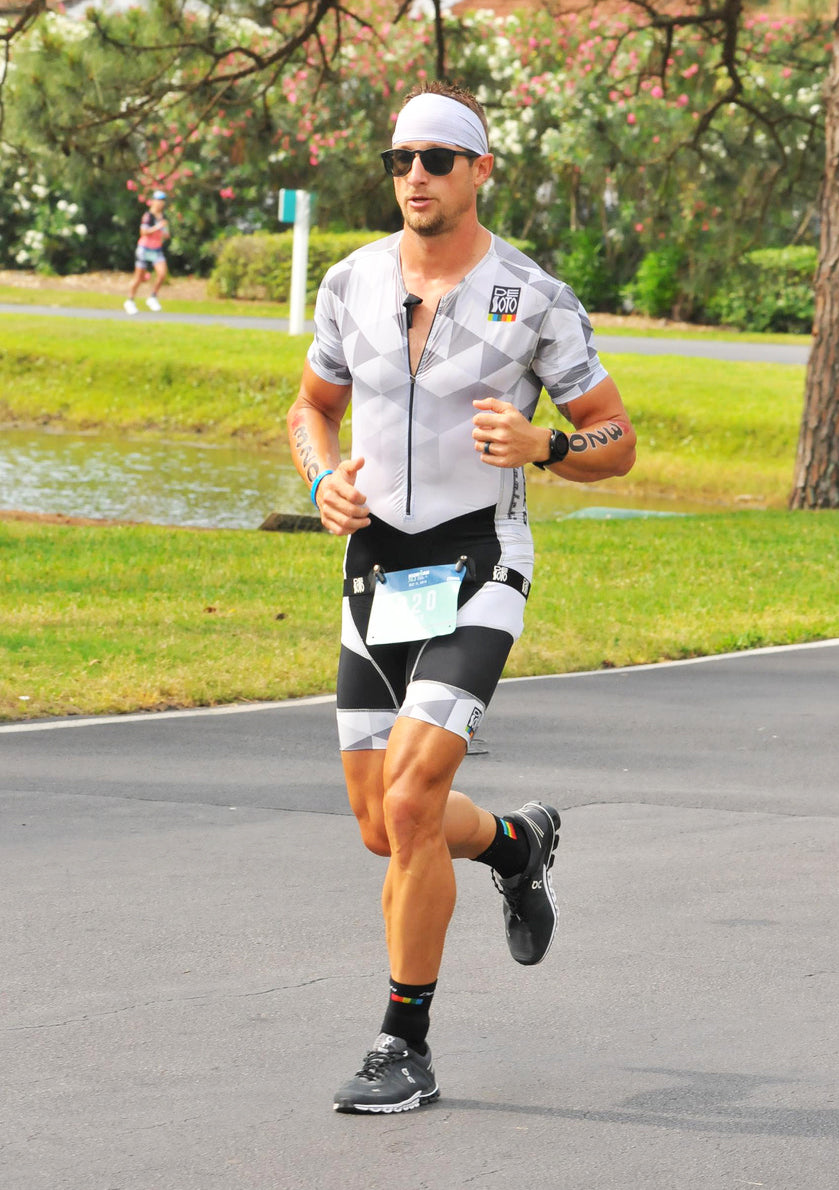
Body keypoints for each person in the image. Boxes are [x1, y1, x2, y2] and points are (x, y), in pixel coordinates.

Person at [286, 80, 636, 1115]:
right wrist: (321, 478)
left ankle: (404, 1043)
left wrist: (546, 444)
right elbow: (311, 406)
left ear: (480, 169)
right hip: (377, 568)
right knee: (382, 823)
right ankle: (516, 846)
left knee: (411, 800)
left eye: (437, 159)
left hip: (482, 559)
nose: (416, 176)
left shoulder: (532, 295)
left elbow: (616, 437)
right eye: (400, 160)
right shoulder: (350, 281)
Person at [124, 190, 170, 315]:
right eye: (158, 200)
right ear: (153, 201)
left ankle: (153, 297)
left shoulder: (163, 217)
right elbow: (143, 232)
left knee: (162, 274)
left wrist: (164, 232)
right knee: (139, 277)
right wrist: (157, 227)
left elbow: (166, 234)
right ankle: (130, 301)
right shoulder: (148, 216)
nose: (160, 203)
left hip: (156, 249)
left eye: (162, 201)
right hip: (144, 249)